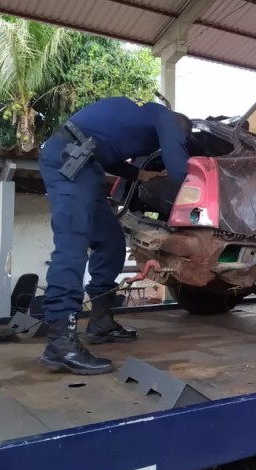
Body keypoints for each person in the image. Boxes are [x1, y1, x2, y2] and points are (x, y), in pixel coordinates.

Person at [38, 96, 192, 375]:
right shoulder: (169, 119)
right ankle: (60, 344)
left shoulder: (141, 118)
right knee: (72, 246)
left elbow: (106, 151)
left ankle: (100, 323)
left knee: (111, 242)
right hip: (70, 160)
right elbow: (180, 171)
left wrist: (139, 174)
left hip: (86, 163)